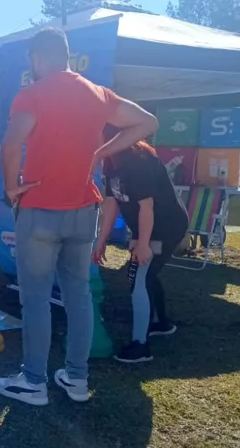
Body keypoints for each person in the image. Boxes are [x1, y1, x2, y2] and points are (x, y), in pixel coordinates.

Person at [0, 28, 159, 406]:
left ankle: (34, 381)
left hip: (39, 209)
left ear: (37, 58)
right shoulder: (98, 93)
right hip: (84, 210)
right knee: (78, 296)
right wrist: (101, 151)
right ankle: (77, 379)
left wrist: (10, 187)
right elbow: (147, 122)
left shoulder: (31, 94)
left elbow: (11, 144)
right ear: (65, 55)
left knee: (35, 299)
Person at [92, 132, 188, 364]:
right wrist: (101, 239)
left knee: (138, 277)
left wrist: (144, 243)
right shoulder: (112, 162)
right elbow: (112, 201)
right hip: (148, 226)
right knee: (145, 274)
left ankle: (141, 346)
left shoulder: (139, 162)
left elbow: (147, 207)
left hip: (165, 226)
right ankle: (162, 324)